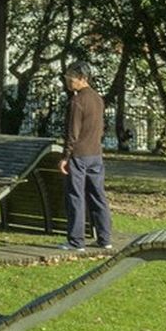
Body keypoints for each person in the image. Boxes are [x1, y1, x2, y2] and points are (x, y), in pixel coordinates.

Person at [59, 61, 113, 251]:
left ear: (82, 78)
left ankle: (76, 241)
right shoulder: (98, 99)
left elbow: (72, 133)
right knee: (98, 196)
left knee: (76, 197)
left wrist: (65, 156)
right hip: (96, 155)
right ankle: (105, 239)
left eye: (70, 78)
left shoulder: (77, 101)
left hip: (79, 155)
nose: (68, 81)